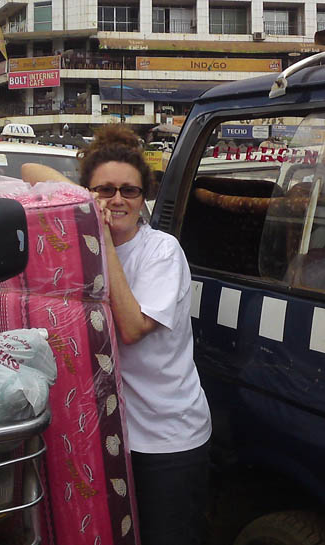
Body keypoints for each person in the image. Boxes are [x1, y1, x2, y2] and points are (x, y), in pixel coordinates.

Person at [78, 125, 212, 545]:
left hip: (168, 439)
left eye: (130, 191)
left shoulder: (162, 251)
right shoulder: (78, 247)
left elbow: (132, 328)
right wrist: (78, 207)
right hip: (117, 436)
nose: (117, 200)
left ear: (144, 198)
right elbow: (31, 168)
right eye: (104, 190)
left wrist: (102, 239)